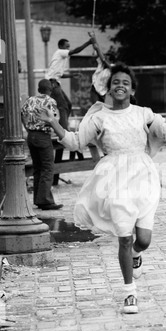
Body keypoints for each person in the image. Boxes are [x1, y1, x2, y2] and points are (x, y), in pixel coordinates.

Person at [37, 63, 166, 314]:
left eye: (125, 82)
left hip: (143, 177)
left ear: (132, 88)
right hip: (114, 181)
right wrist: (54, 124)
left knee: (143, 240)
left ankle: (136, 253)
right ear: (109, 88)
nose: (120, 85)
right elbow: (75, 142)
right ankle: (129, 293)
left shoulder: (143, 113)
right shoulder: (99, 118)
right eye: (116, 82)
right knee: (124, 237)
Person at [46, 37, 95, 185]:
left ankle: (63, 126)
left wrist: (72, 75)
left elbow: (59, 73)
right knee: (62, 106)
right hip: (52, 84)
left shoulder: (60, 57)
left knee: (68, 104)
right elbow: (75, 51)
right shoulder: (61, 52)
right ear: (61, 46)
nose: (68, 49)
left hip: (55, 82)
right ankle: (64, 130)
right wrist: (88, 42)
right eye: (67, 46)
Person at [21, 79, 63, 211]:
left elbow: (22, 113)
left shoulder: (30, 100)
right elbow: (55, 119)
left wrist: (27, 127)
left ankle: (38, 199)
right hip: (43, 137)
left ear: (39, 89)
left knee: (38, 168)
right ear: (50, 90)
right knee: (47, 167)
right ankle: (45, 201)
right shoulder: (51, 101)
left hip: (31, 136)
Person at [89, 33, 112, 105]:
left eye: (108, 58)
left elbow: (103, 58)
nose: (105, 59)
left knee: (106, 109)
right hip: (95, 88)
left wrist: (97, 48)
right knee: (96, 108)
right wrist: (93, 38)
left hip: (104, 91)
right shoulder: (101, 64)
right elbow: (99, 51)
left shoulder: (112, 68)